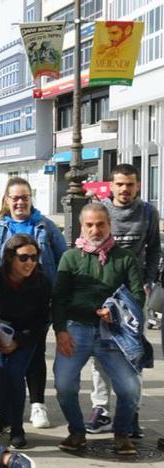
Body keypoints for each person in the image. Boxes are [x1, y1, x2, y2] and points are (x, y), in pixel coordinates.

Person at [0, 177, 66, 429]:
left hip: (35, 300)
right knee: (0, 356)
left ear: (31, 199)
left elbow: (63, 259)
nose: (20, 202)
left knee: (34, 351)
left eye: (24, 197)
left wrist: (56, 292)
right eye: (14, 197)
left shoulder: (45, 226)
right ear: (6, 200)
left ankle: (37, 404)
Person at [52, 203, 144, 456]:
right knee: (64, 385)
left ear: (109, 225)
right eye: (89, 225)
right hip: (76, 330)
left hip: (112, 333)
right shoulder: (70, 257)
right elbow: (58, 298)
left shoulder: (124, 258)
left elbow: (137, 295)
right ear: (82, 227)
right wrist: (60, 331)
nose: (95, 229)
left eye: (100, 224)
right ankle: (77, 431)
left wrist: (114, 311)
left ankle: (122, 433)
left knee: (129, 389)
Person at [87, 163, 160, 437]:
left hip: (133, 294)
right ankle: (101, 409)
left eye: (130, 184)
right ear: (111, 185)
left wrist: (148, 281)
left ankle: (131, 410)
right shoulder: (101, 211)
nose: (124, 189)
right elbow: (87, 245)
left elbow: (154, 249)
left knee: (133, 352)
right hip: (103, 291)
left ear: (137, 185)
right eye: (119, 184)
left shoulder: (148, 213)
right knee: (100, 351)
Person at [0, 235, 51, 449]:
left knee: (14, 376)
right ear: (10, 257)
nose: (29, 262)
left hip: (25, 337)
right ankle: (3, 419)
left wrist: (18, 341)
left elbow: (42, 321)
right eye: (23, 258)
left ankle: (17, 427)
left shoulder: (41, 282)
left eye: (33, 257)